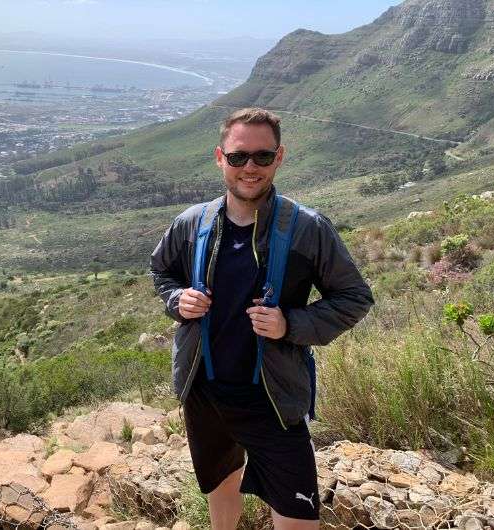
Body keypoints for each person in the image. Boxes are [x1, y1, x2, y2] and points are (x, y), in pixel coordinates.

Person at [149, 108, 374, 530]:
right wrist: (178, 299)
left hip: (273, 400)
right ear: (220, 157)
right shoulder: (192, 223)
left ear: (279, 157)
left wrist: (291, 324)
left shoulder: (307, 229)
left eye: (262, 157)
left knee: (297, 515)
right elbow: (161, 272)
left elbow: (354, 297)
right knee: (220, 485)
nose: (249, 168)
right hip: (206, 392)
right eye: (238, 157)